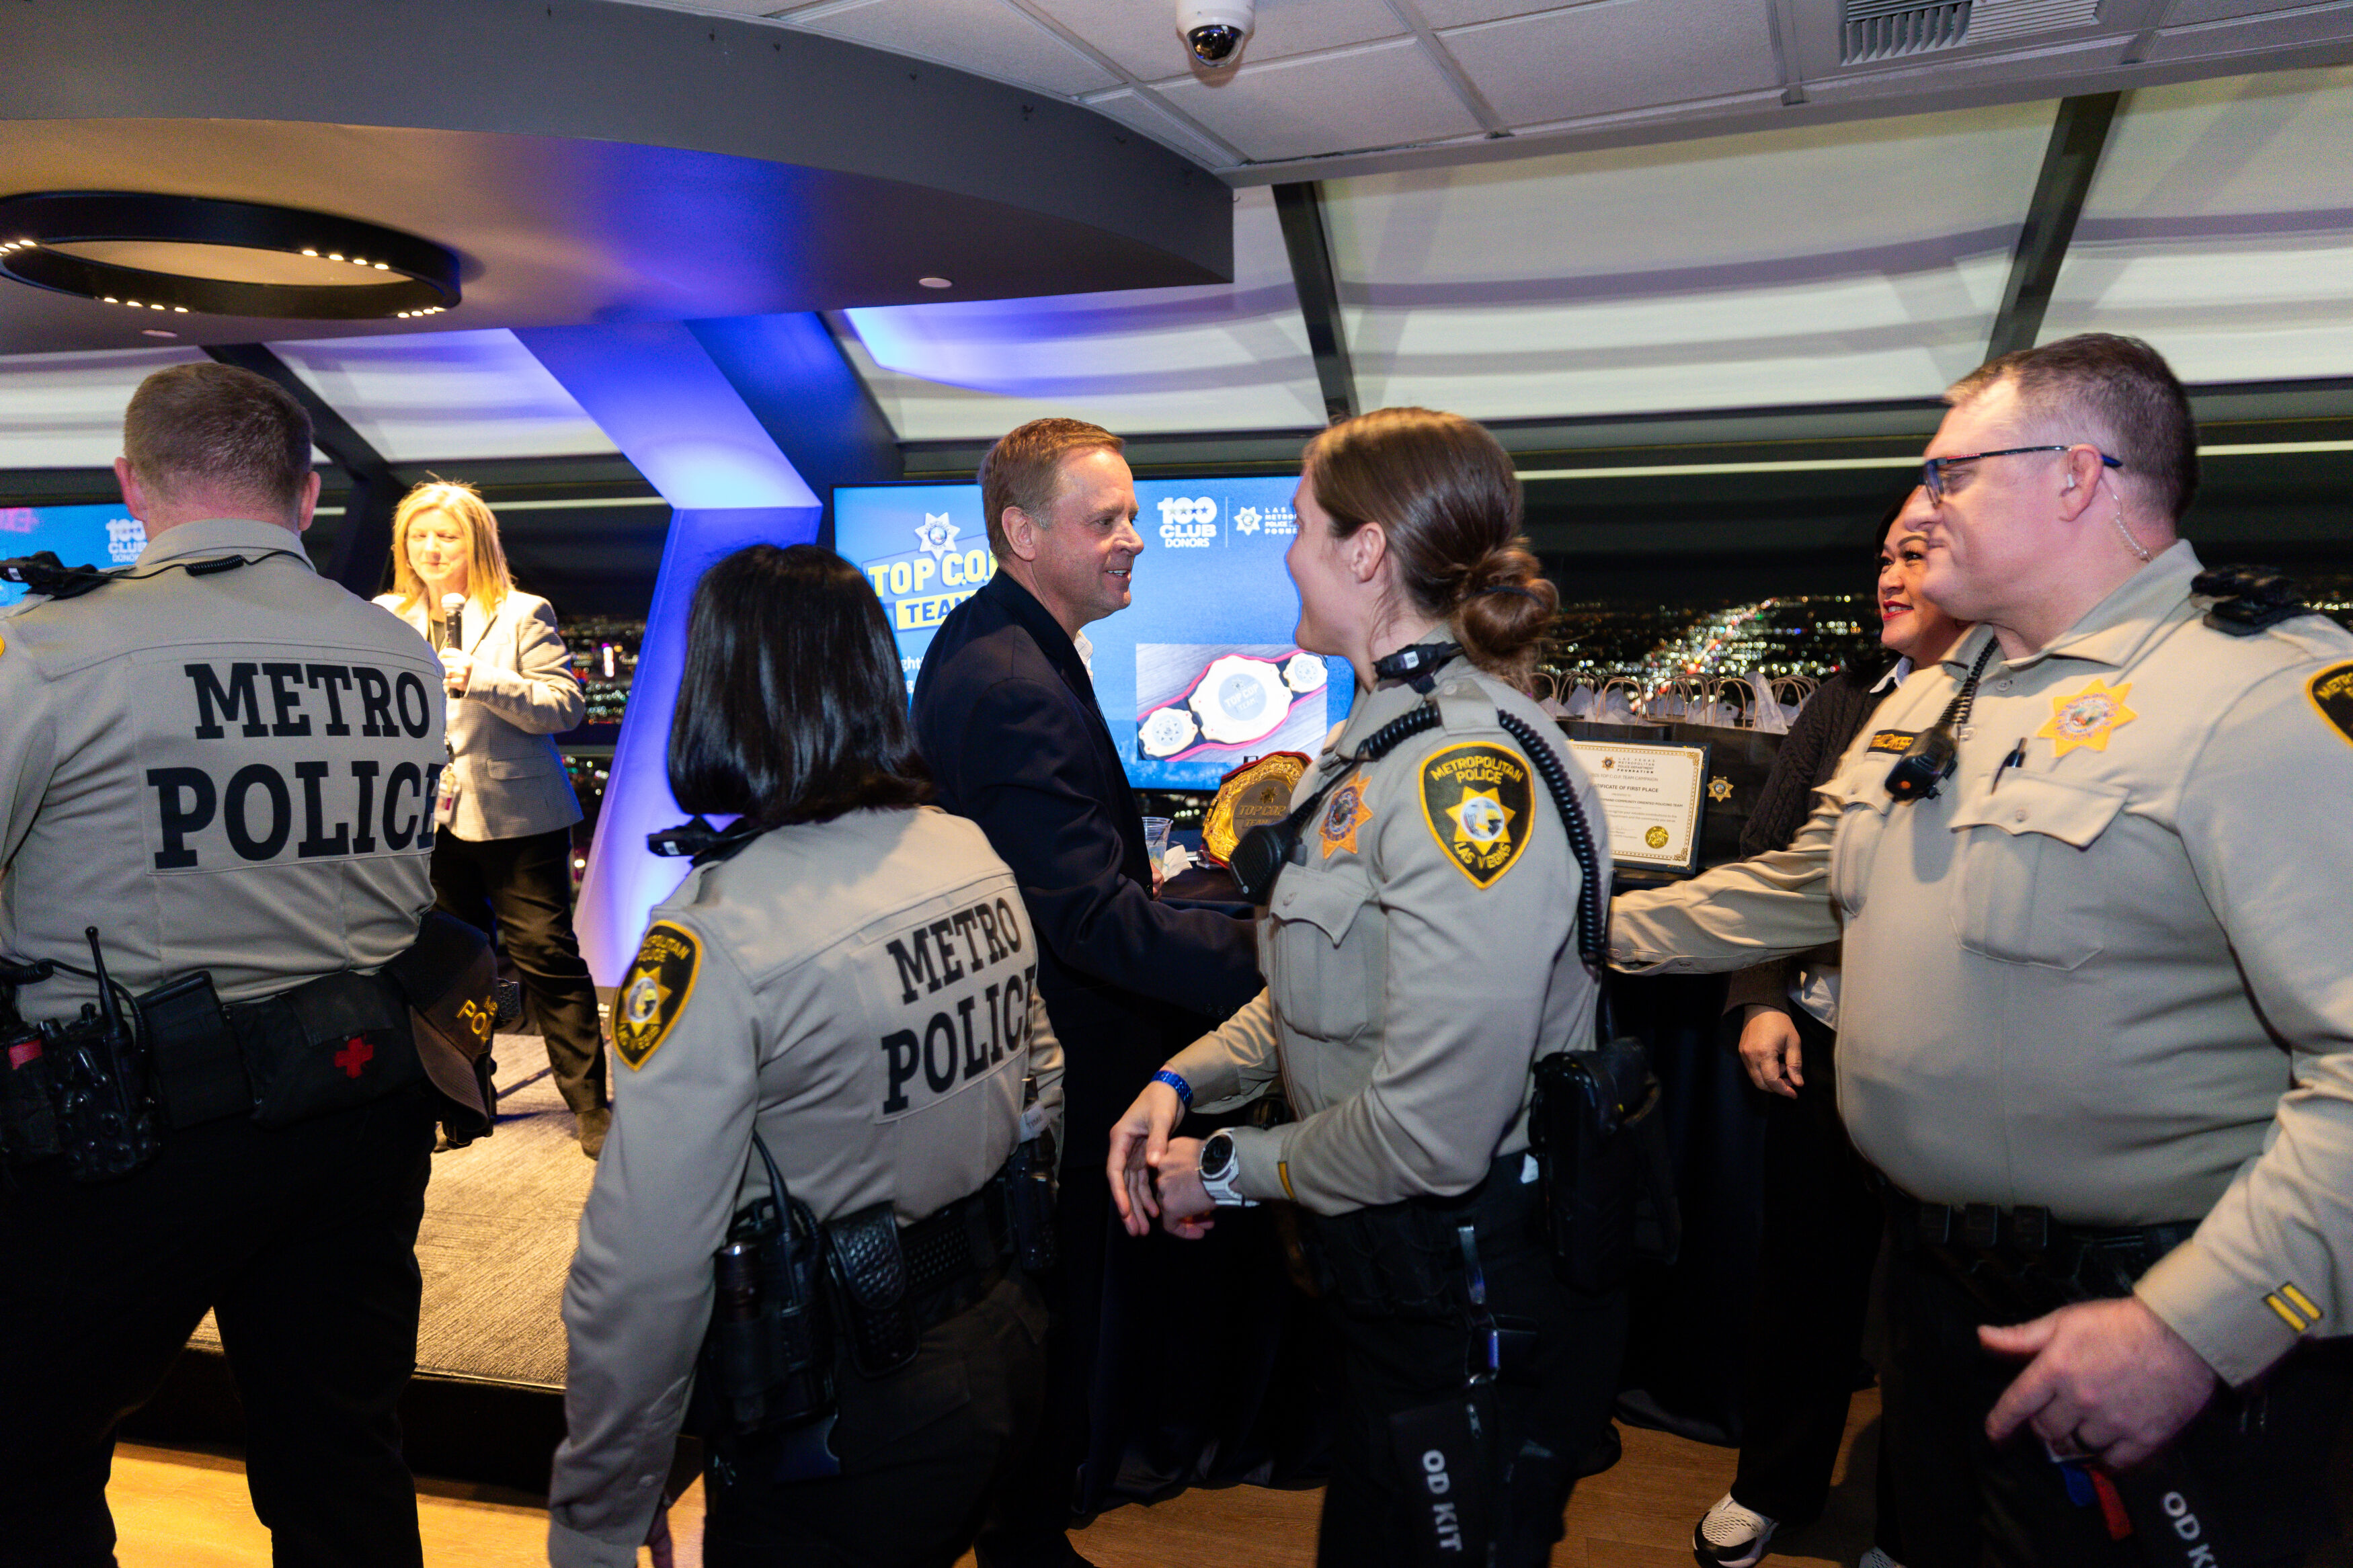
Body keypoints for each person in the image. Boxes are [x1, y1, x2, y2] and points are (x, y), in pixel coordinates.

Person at [1614, 333, 2353, 1565]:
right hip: (1937, 1289)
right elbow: (1805, 886)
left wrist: (2195, 1324)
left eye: (1951, 473)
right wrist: (1578, 928)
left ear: (2077, 476)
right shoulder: (1938, 695)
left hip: (2142, 1310)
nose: (1922, 507)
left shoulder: (2260, 700)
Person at [1107, 406, 1626, 1568]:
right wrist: (1180, 1081)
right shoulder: (1377, 746)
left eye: (1301, 526)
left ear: (1366, 550)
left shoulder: (1462, 772)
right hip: (1397, 1293)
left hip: (1468, 1297)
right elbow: (1325, 984)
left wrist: (1224, 1169)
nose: (1289, 554)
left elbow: (1435, 1131)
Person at [0, 362, 448, 1567]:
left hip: (134, 1132)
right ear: (306, 495)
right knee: (343, 1457)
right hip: (363, 1101)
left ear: (131, 485)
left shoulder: (53, 651)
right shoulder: (397, 655)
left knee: (26, 1455)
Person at [548, 543, 1063, 1568]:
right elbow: (1041, 1088)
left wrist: (604, 1501)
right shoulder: (963, 850)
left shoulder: (718, 934)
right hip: (1000, 1344)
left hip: (839, 1412)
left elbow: (643, 1266)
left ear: (720, 693)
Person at [910, 417, 1261, 1568]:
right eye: (1105, 519)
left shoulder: (1003, 640)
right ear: (1022, 533)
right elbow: (1087, 920)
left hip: (1045, 1038)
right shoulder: (1012, 678)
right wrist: (1274, 955)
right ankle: (1026, 1538)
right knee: (1048, 1313)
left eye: (1134, 515)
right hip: (1057, 1054)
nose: (1134, 538)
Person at [1695, 491, 1969, 1568]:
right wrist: (1762, 995)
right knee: (1802, 1283)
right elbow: (1768, 865)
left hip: (1947, 1064)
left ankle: (1911, 1526)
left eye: (1917, 554)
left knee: (1928, 1309)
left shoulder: (2018, 703)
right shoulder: (1846, 698)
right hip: (1821, 1043)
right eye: (1884, 556)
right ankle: (1772, 1482)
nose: (1889, 578)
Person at [374, 481, 606, 1155]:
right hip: (426, 816)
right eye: (419, 535)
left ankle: (589, 1104)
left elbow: (564, 706)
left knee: (545, 955)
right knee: (452, 966)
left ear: (476, 543)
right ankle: (466, 1103)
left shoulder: (522, 613)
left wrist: (480, 678)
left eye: (446, 535)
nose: (431, 548)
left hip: (519, 815)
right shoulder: (384, 615)